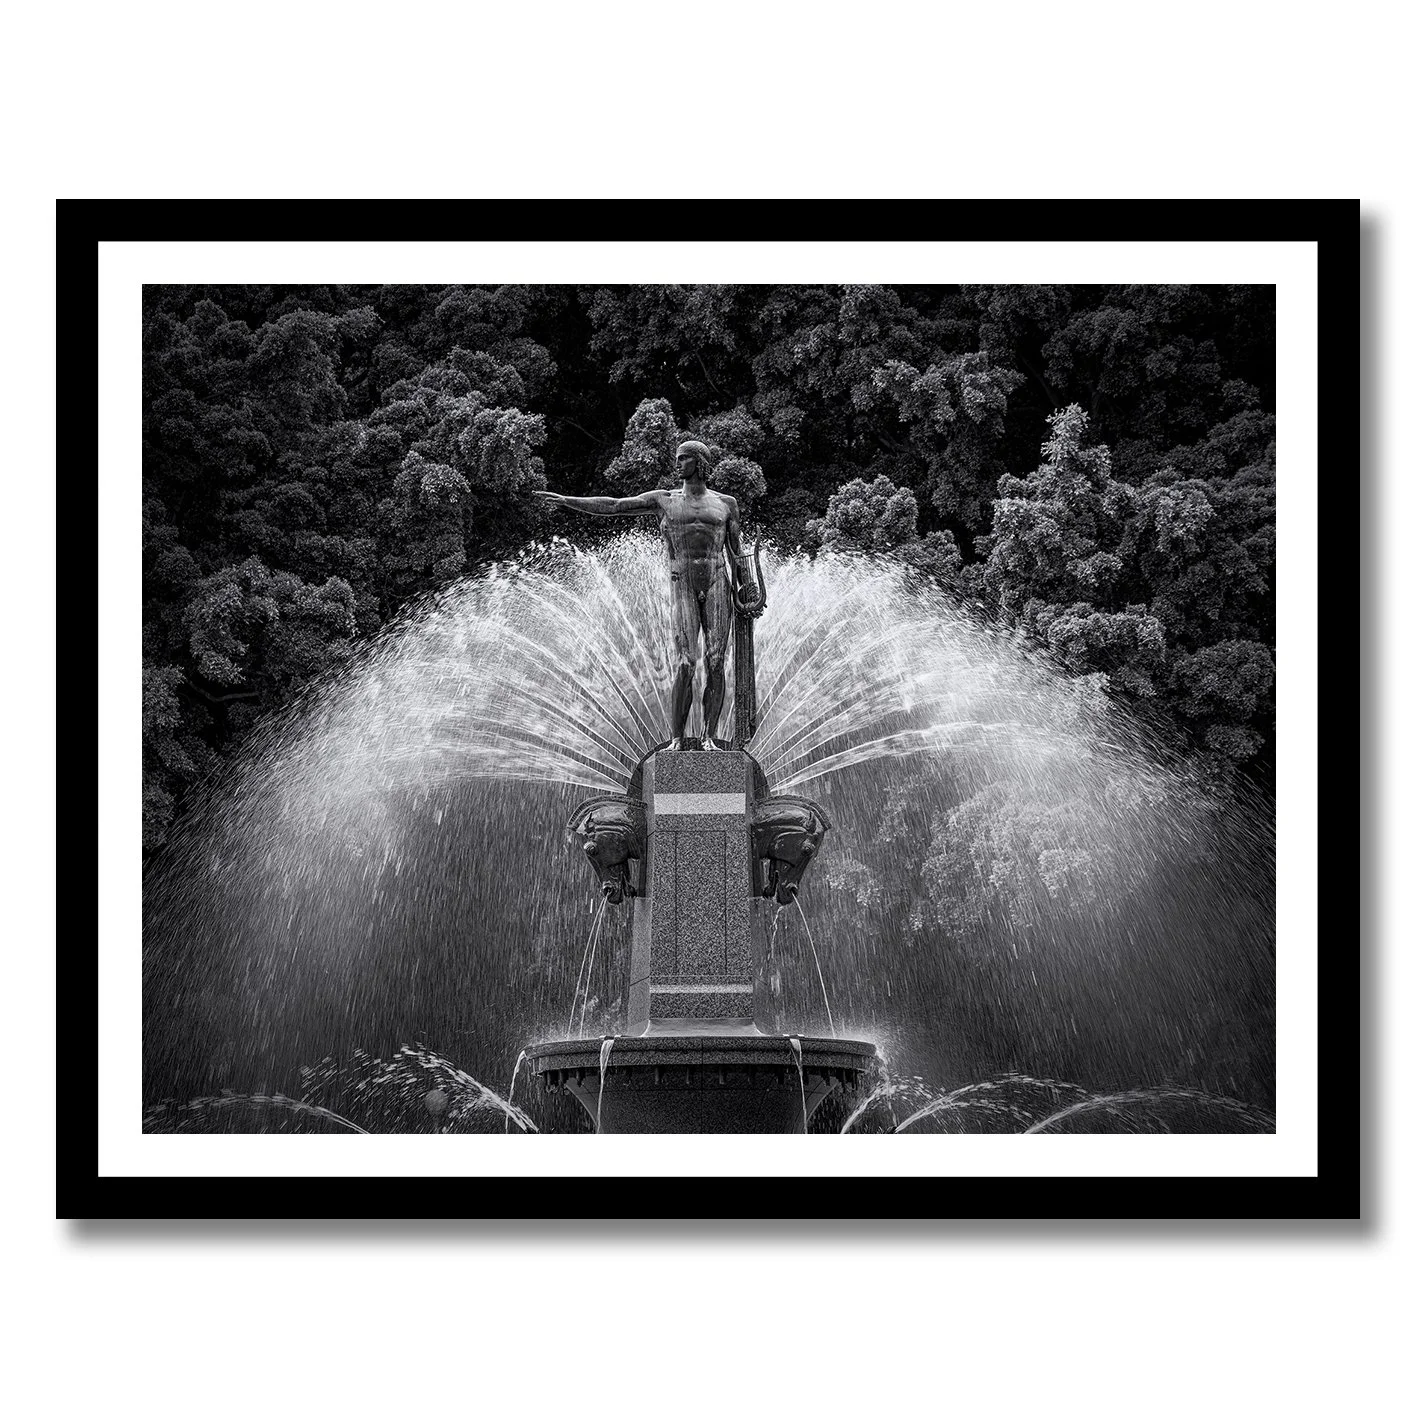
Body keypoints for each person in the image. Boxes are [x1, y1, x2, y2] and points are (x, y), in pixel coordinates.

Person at [533, 440, 755, 749]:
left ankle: (708, 738)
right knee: (686, 663)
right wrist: (567, 500)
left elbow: (736, 551)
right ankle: (677, 739)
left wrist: (748, 587)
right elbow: (614, 505)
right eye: (676, 459)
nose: (677, 465)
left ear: (699, 462)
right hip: (683, 584)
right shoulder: (664, 500)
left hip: (719, 582)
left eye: (683, 459)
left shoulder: (726, 504)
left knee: (717, 662)